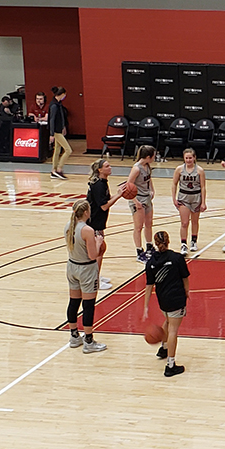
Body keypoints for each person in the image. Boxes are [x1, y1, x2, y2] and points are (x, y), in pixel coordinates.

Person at [143, 230, 190, 377]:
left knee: (168, 321)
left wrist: (145, 306)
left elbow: (149, 286)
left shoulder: (151, 262)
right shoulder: (177, 258)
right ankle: (170, 365)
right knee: (173, 330)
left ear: (155, 244)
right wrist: (187, 293)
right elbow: (185, 278)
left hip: (162, 300)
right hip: (176, 298)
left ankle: (163, 348)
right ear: (168, 241)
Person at [64, 199, 107, 353]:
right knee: (88, 305)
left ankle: (74, 336)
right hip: (86, 269)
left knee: (74, 302)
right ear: (87, 212)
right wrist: (98, 242)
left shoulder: (68, 226)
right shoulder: (87, 230)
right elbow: (92, 255)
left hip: (72, 266)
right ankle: (88, 340)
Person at [87, 158, 126, 290]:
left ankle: (96, 275)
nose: (110, 168)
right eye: (107, 166)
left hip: (98, 221)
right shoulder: (98, 185)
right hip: (93, 222)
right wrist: (119, 195)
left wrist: (117, 193)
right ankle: (95, 280)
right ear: (100, 170)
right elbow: (104, 206)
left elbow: (105, 200)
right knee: (99, 249)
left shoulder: (103, 182)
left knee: (101, 249)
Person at [171, 148, 207, 255]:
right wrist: (173, 198)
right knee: (184, 222)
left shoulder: (200, 170)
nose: (188, 160)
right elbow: (174, 184)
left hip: (196, 197)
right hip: (183, 197)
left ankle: (194, 241)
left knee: (195, 221)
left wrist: (203, 202)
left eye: (190, 158)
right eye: (186, 158)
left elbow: (203, 187)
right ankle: (183, 244)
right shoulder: (179, 169)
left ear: (194, 158)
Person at [127, 144, 156, 263]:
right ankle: (139, 252)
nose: (155, 158)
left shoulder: (147, 166)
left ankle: (150, 246)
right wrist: (135, 201)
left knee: (149, 224)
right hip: (138, 199)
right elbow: (128, 186)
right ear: (148, 156)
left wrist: (152, 189)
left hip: (146, 197)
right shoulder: (136, 168)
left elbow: (149, 178)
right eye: (154, 156)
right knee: (138, 227)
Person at [49, 86, 72, 180]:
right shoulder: (54, 106)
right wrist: (51, 134)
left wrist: (63, 126)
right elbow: (51, 120)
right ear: (61, 94)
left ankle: (53, 170)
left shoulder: (58, 104)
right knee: (68, 150)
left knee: (57, 150)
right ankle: (59, 169)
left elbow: (61, 117)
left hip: (59, 130)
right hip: (56, 131)